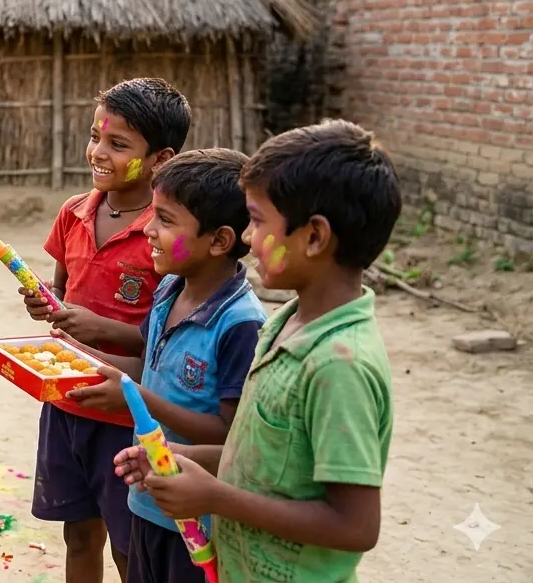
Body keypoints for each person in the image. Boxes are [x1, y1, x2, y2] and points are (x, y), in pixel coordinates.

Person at [114, 119, 400, 583]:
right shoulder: (288, 324)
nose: (248, 238)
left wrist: (216, 498)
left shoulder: (338, 364)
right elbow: (254, 455)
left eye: (260, 222)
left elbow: (356, 525)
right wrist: (174, 456)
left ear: (314, 236)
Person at [54, 149, 266, 583]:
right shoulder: (169, 289)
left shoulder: (240, 324)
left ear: (220, 240)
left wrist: (137, 397)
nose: (148, 230)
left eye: (165, 221)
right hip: (148, 497)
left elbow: (229, 432)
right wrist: (72, 352)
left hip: (196, 514)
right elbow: (146, 365)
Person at [20, 78, 191, 582]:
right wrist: (46, 306)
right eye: (96, 137)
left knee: (128, 544)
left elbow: (169, 338)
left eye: (118, 145)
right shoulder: (74, 213)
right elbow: (62, 294)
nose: (98, 152)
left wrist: (100, 327)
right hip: (66, 402)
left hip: (128, 416)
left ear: (160, 158)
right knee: (78, 533)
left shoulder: (167, 237)